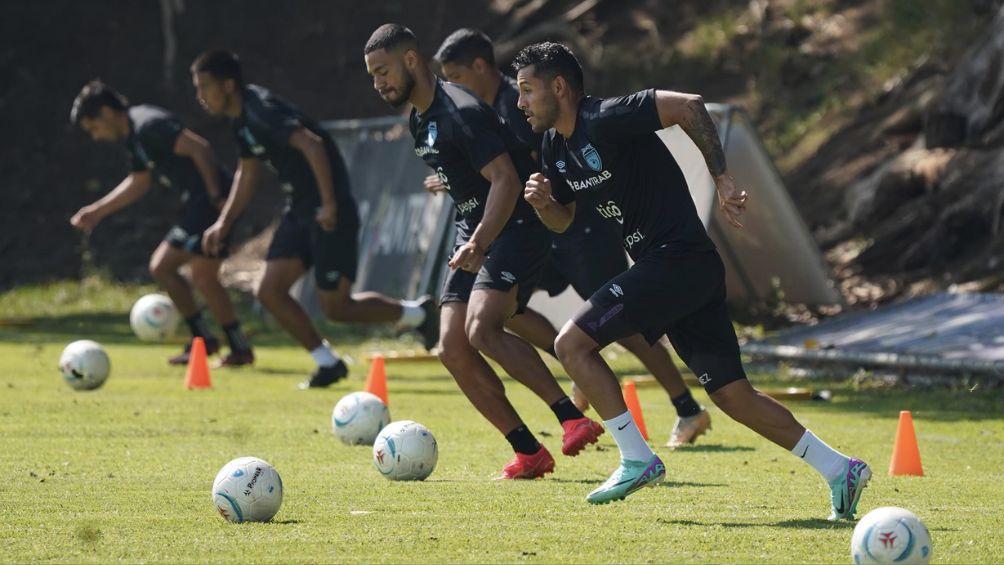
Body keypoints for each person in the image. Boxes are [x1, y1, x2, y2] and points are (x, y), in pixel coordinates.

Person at [513, 41, 871, 516]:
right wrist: (543, 206)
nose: (520, 102)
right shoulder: (554, 147)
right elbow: (563, 221)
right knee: (733, 396)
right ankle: (840, 469)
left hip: (675, 260)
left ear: (559, 87)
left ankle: (636, 458)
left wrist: (721, 177)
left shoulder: (606, 117)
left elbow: (688, 106)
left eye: (526, 90)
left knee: (571, 344)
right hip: (682, 268)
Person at [433, 28, 712, 449]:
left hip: (579, 228)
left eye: (456, 76)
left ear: (479, 66)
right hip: (536, 227)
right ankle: (581, 368)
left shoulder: (520, 99)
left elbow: (534, 163)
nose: (453, 87)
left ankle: (686, 407)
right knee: (506, 312)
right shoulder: (479, 110)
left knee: (626, 323)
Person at [364, 24, 604, 479]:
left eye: (384, 71)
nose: (379, 83)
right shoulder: (420, 118)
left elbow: (506, 180)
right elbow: (470, 177)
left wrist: (479, 242)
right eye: (373, 76)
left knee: (481, 329)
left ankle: (571, 418)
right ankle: (529, 451)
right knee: (451, 348)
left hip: (514, 226)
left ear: (412, 60)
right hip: (473, 229)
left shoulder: (460, 110)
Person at [189, 49, 437, 389]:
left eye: (205, 86)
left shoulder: (260, 110)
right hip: (300, 209)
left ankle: (418, 314)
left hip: (325, 211)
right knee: (269, 290)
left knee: (337, 307)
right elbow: (246, 174)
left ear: (228, 85)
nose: (200, 95)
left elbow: (312, 144)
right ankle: (327, 362)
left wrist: (330, 204)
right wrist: (224, 223)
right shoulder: (242, 120)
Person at [69, 80, 255, 367]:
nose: (96, 136)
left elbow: (200, 149)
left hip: (211, 203)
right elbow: (139, 181)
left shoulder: (148, 124)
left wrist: (216, 196)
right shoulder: (134, 135)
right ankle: (205, 341)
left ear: (106, 112)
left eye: (93, 127)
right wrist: (97, 211)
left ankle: (235, 347)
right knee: (164, 268)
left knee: (200, 275)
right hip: (198, 205)